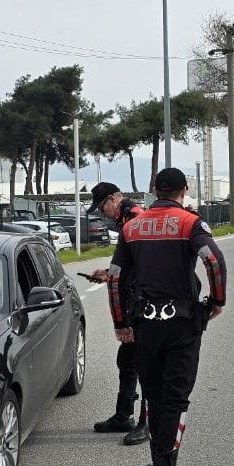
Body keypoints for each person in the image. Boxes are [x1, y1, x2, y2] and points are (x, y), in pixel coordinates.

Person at [108, 168, 227, 466]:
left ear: (154, 190)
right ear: (184, 190)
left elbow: (115, 278)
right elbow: (213, 261)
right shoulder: (190, 223)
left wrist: (121, 323)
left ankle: (157, 463)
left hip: (144, 324)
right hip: (181, 325)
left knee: (155, 395)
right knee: (176, 397)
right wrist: (217, 301)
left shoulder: (131, 228)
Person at [85, 181, 148, 446]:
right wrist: (107, 274)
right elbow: (126, 267)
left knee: (144, 364)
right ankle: (124, 415)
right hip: (135, 299)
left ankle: (145, 422)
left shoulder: (134, 222)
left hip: (142, 303)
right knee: (128, 360)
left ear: (112, 199)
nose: (101, 215)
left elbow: (138, 271)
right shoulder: (127, 220)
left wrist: (125, 320)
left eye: (101, 209)